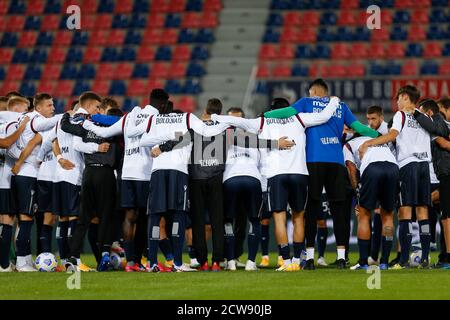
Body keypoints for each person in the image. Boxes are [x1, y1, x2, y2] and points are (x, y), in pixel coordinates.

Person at [213, 96, 340, 271]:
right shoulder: (300, 118)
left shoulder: (264, 120)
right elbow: (324, 116)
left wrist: (216, 117)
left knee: (279, 218)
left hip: (276, 175)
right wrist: (334, 101)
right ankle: (297, 259)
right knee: (298, 217)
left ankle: (286, 262)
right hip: (299, 173)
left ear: (272, 109)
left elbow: (239, 121)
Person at [264, 79, 379, 270]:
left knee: (311, 209)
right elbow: (360, 129)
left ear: (314, 92)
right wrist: (379, 137)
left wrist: (265, 116)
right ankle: (342, 258)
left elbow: (286, 113)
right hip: (336, 162)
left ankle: (309, 258)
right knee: (340, 211)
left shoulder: (306, 102)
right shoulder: (341, 106)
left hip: (313, 161)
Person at [81, 89, 169, 272]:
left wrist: (87, 123)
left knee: (129, 217)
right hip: (145, 172)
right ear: (162, 105)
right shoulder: (157, 119)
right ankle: (141, 259)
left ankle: (130, 262)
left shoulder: (130, 117)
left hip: (127, 172)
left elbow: (106, 131)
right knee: (146, 217)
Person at [139, 101, 231, 272]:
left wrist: (160, 146)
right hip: (185, 173)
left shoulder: (158, 125)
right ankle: (181, 263)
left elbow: (142, 139)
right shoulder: (195, 126)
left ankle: (152, 262)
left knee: (156, 215)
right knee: (179, 215)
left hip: (166, 172)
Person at [359, 85, 432, 269]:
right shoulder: (424, 116)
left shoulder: (401, 115)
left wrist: (370, 142)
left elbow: (392, 135)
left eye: (398, 98)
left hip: (407, 165)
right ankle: (425, 258)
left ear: (406, 97)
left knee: (404, 212)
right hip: (425, 165)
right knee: (423, 213)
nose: (397, 102)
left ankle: (403, 259)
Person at [8, 93, 61, 272]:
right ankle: (22, 262)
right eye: (49, 105)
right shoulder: (35, 118)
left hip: (20, 175)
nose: (52, 109)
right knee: (26, 219)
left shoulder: (22, 118)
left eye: (53, 105)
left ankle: (24, 259)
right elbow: (33, 141)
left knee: (23, 220)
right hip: (28, 175)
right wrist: (67, 115)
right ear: (38, 108)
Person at [345, 132, 398, 270]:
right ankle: (384, 262)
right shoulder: (379, 140)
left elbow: (351, 168)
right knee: (387, 216)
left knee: (364, 215)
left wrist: (357, 193)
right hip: (393, 167)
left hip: (372, 168)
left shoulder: (349, 145)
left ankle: (363, 263)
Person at [412, 99, 450, 269]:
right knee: (443, 213)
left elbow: (442, 141)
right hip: (443, 175)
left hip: (447, 173)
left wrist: (415, 113)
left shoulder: (439, 125)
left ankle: (447, 258)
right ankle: (444, 257)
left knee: (447, 217)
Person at [0, 116, 30, 272]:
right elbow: (5, 143)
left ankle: (4, 263)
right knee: (7, 220)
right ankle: (4, 265)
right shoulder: (9, 128)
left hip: (3, 181)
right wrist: (22, 127)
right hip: (3, 183)